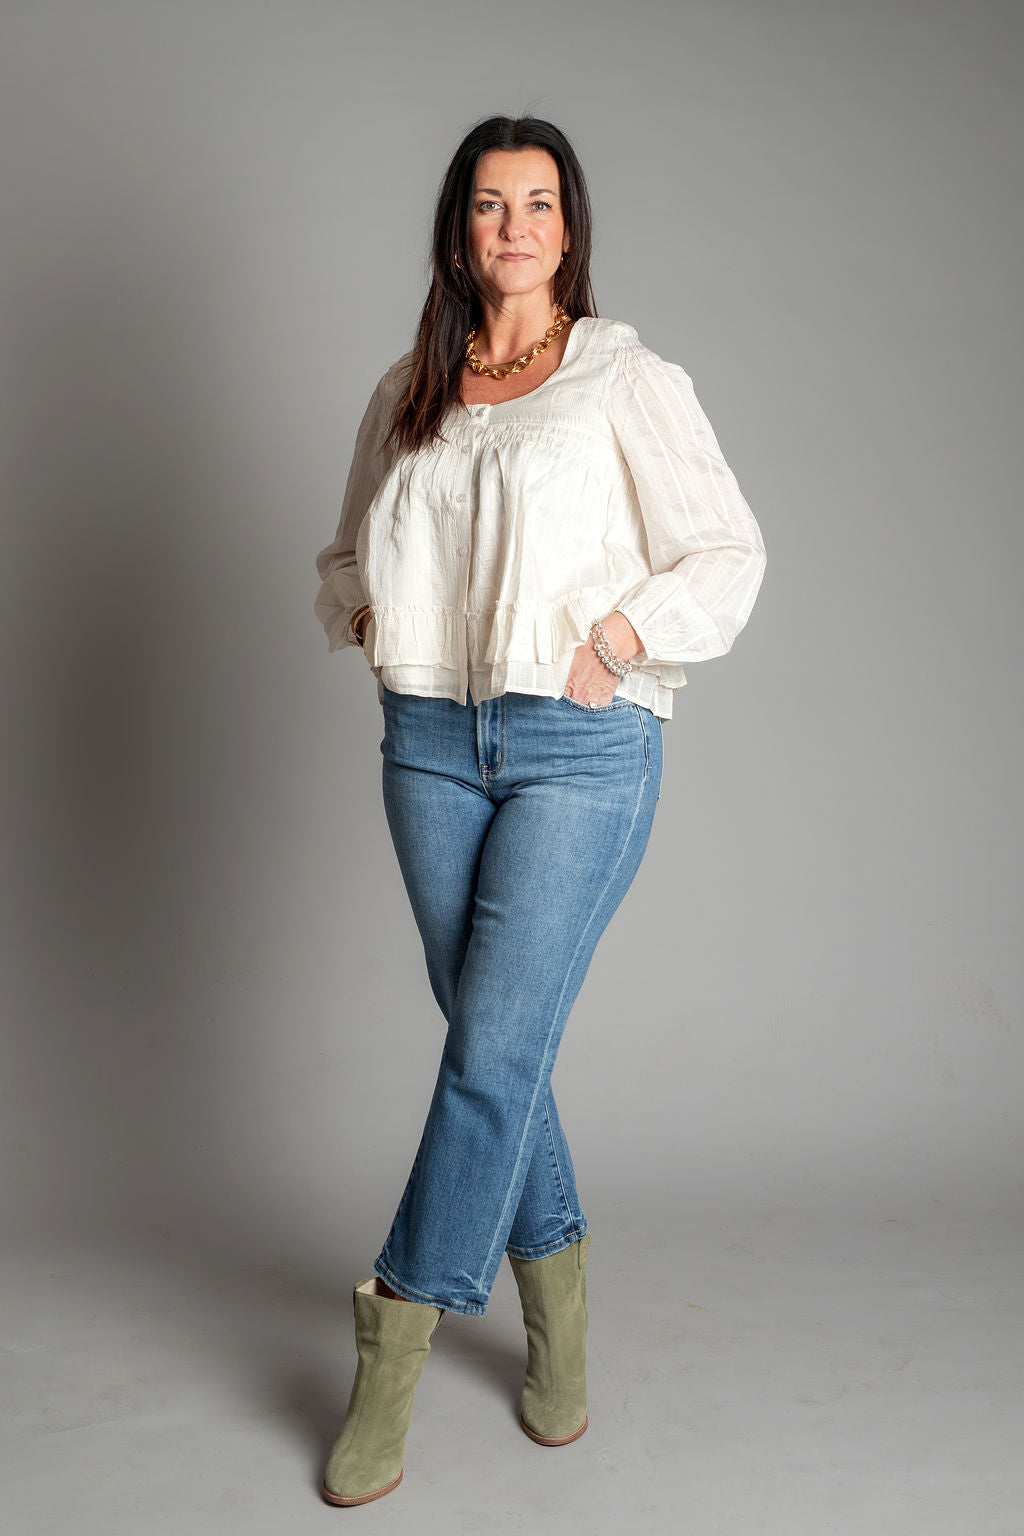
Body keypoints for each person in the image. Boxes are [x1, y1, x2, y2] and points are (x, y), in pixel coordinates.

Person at [312, 113, 766, 1506]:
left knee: (494, 1048)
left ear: (570, 230)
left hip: (577, 746)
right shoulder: (410, 390)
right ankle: (559, 1324)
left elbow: (725, 549)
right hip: (428, 747)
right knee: (492, 1044)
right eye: (489, 204)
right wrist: (376, 619)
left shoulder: (624, 375)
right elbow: (346, 552)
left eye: (538, 204)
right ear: (459, 228)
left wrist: (620, 642)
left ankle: (395, 1330)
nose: (513, 227)